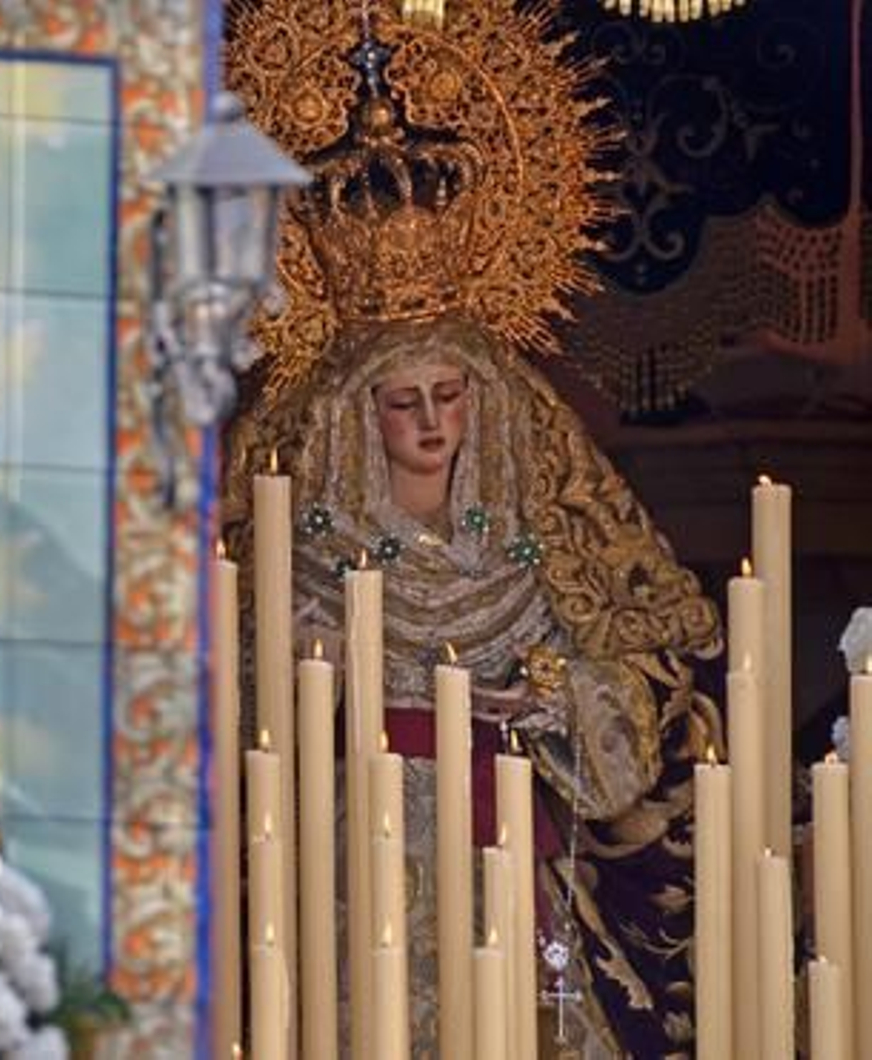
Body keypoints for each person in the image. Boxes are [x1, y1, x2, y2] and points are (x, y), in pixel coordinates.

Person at [221, 1, 724, 1053]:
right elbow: (242, 710)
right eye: (403, 404)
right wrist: (339, 684)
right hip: (355, 848)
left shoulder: (524, 545)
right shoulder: (303, 548)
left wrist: (544, 696)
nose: (431, 424)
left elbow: (632, 697)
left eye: (451, 397)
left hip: (503, 834)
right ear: (356, 417)